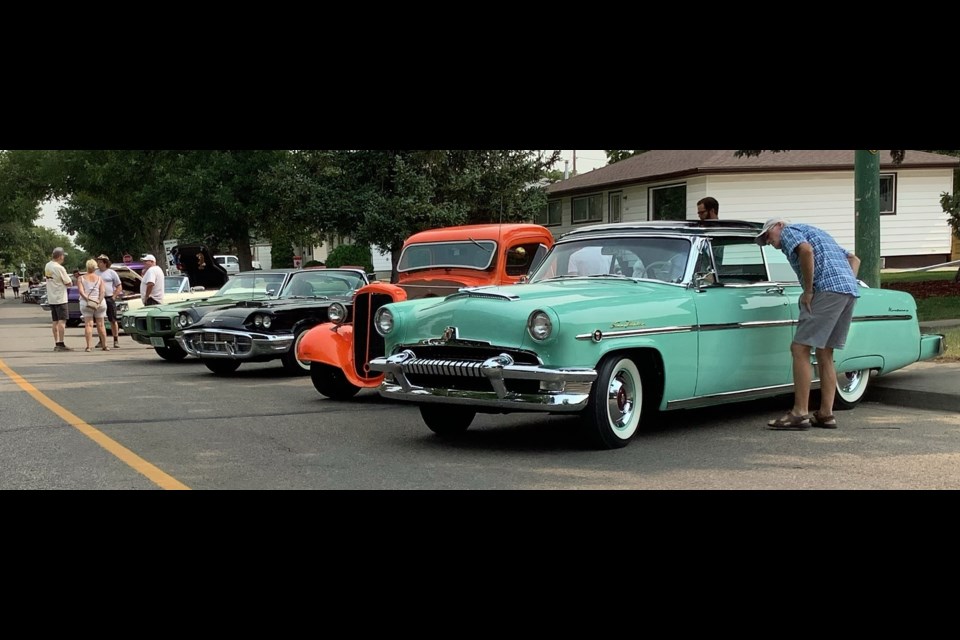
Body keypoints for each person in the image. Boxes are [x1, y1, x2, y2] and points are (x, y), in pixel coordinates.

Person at [757, 218, 861, 431]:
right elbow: (854, 259)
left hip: (826, 291)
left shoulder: (789, 231)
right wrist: (844, 283)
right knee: (825, 352)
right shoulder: (816, 231)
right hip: (848, 292)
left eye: (768, 235)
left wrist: (808, 291)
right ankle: (825, 414)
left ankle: (799, 413)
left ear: (778, 225)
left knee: (800, 348)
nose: (768, 241)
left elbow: (805, 251)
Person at [44, 247, 74, 351]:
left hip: (51, 297)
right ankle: (61, 343)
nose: (63, 258)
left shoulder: (48, 266)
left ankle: (56, 342)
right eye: (63, 256)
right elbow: (68, 282)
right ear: (60, 256)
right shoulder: (59, 268)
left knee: (55, 321)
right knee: (62, 321)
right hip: (60, 297)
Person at [77, 259, 109, 352]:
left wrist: (88, 299)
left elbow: (81, 291)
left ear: (87, 267)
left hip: (86, 303)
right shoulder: (99, 278)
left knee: (88, 324)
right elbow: (102, 291)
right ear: (95, 267)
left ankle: (88, 346)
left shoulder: (81, 278)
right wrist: (98, 301)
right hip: (99, 303)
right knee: (101, 325)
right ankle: (105, 345)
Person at [94, 254, 122, 348]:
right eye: (98, 261)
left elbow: (119, 286)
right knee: (99, 320)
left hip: (109, 298)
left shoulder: (111, 273)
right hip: (99, 299)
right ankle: (101, 340)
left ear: (105, 263)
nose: (98, 263)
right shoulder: (95, 273)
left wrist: (114, 296)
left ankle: (115, 339)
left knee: (113, 320)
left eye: (100, 262)